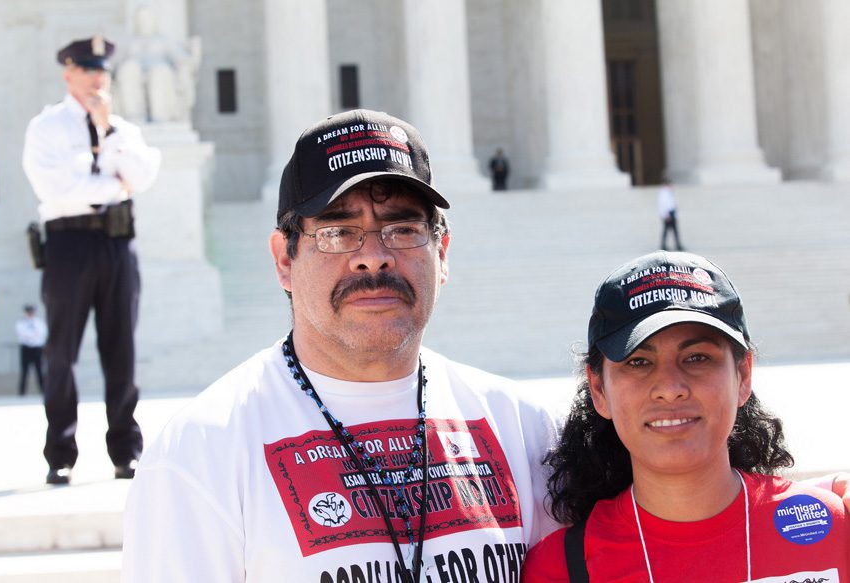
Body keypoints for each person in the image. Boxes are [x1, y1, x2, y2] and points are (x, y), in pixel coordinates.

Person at [121, 109, 559, 582]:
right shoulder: (200, 453)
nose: (373, 258)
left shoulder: (528, 432)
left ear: (442, 253)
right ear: (284, 260)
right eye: (337, 232)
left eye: (402, 229)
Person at [522, 251, 848, 582]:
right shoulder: (559, 569)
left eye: (696, 358)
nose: (670, 388)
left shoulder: (834, 528)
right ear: (599, 390)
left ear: (743, 376)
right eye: (638, 362)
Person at [22, 37, 161, 485]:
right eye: (88, 70)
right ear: (69, 75)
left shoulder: (122, 129)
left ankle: (126, 451)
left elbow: (143, 175)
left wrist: (109, 134)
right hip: (69, 244)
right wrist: (115, 186)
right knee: (61, 351)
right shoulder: (47, 127)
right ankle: (60, 454)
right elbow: (56, 189)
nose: (98, 78)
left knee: (121, 349)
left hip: (118, 243)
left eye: (102, 70)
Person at [15, 304, 47, 396]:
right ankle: (22, 392)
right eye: (28, 311)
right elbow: (22, 334)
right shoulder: (21, 323)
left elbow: (42, 333)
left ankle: (43, 390)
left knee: (39, 370)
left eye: (31, 311)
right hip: (25, 348)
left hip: (37, 348)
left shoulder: (39, 322)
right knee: (24, 371)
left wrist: (32, 336)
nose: (30, 313)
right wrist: (32, 336)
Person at [657, 174, 683, 251]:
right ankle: (663, 245)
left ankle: (678, 245)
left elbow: (674, 205)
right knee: (666, 231)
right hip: (668, 214)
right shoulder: (663, 193)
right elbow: (662, 205)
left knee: (675, 231)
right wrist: (665, 215)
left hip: (672, 213)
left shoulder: (670, 192)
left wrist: (676, 215)